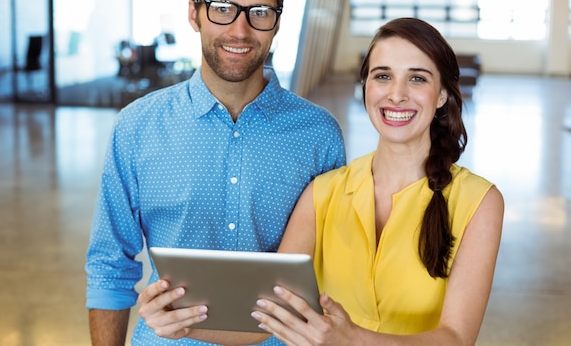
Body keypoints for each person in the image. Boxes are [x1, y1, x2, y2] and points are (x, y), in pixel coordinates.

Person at [138, 17, 504, 346]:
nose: (396, 94)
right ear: (365, 87)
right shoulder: (322, 193)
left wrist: (352, 340)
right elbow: (267, 316)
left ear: (441, 94)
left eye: (417, 78)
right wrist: (182, 323)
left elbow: (456, 337)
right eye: (382, 76)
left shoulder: (479, 202)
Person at [85, 0, 346, 346]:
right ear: (195, 13)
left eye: (258, 11)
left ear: (277, 20)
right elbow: (108, 266)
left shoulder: (318, 136)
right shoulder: (136, 128)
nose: (240, 30)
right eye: (222, 9)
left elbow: (334, 269)